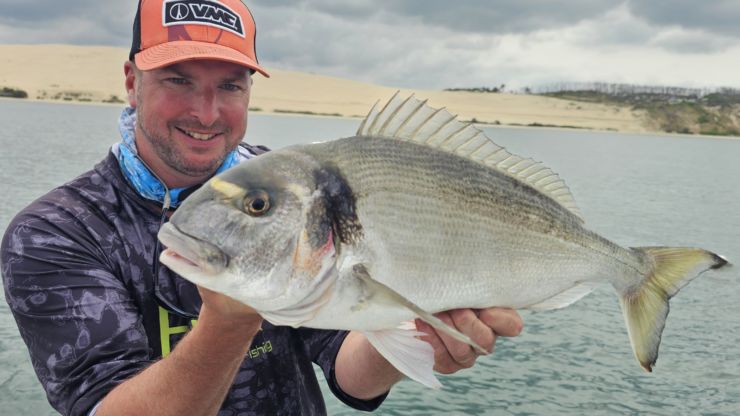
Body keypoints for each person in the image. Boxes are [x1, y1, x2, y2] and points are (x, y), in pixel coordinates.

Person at [1, 0, 523, 415]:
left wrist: (419, 340)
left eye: (229, 85)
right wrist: (226, 323)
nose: (206, 112)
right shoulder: (56, 233)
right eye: (178, 79)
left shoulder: (296, 193)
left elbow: (345, 363)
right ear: (133, 82)